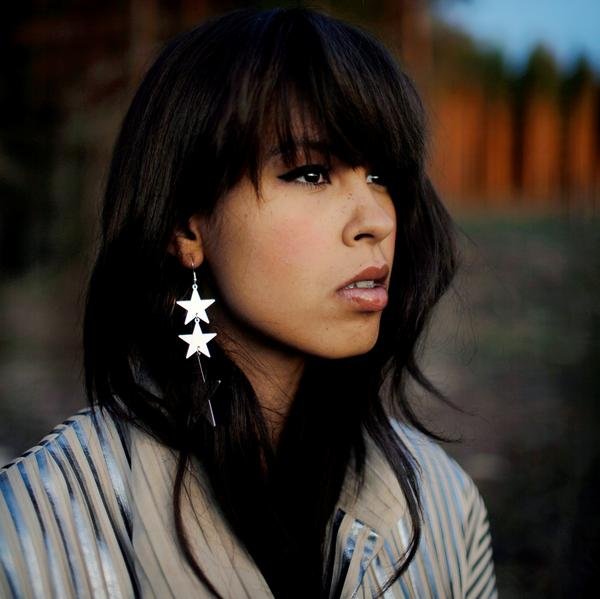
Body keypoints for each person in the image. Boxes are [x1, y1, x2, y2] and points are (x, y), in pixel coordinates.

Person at [0, 7, 496, 598]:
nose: (376, 221)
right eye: (311, 173)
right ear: (187, 226)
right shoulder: (33, 529)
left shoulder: (444, 505)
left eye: (380, 176)